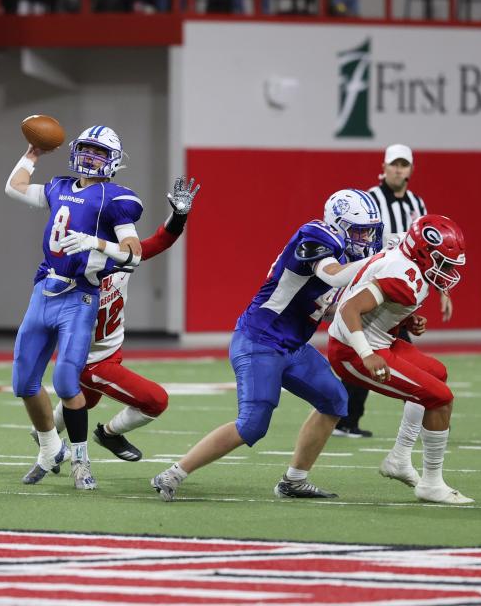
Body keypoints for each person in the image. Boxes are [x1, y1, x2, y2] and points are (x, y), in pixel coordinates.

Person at [150, 189, 382, 501]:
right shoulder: (317, 235)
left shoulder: (348, 255)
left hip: (292, 346)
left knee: (336, 400)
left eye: (370, 231)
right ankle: (175, 473)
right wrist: (379, 262)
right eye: (360, 231)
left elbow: (325, 308)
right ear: (338, 224)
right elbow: (334, 275)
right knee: (252, 426)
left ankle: (294, 481)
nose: (366, 239)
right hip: (259, 341)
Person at [5, 124, 143, 490]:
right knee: (23, 382)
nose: (90, 157)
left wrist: (94, 242)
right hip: (45, 291)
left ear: (112, 160)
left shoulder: (115, 199)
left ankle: (81, 461)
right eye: (86, 148)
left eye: (99, 152)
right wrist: (32, 154)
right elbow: (14, 187)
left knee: (67, 381)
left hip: (80, 296)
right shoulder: (59, 187)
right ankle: (51, 448)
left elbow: (134, 253)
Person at [32, 177, 199, 461]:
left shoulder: (122, 256)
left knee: (87, 399)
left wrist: (180, 216)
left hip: (109, 350)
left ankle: (45, 435)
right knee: (155, 400)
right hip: (90, 358)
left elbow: (159, 241)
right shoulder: (73, 265)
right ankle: (108, 434)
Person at [327, 214, 471, 505]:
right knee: (440, 398)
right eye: (443, 262)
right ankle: (431, 483)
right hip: (353, 351)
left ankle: (400, 457)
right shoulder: (403, 276)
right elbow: (350, 309)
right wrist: (366, 354)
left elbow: (374, 304)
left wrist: (406, 320)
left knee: (438, 373)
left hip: (379, 340)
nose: (447, 271)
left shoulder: (404, 259)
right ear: (423, 252)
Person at [334, 143, 444, 438]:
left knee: (382, 350)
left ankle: (345, 417)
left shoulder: (416, 204)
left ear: (410, 169)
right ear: (383, 167)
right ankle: (345, 417)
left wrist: (442, 292)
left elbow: (429, 249)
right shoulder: (369, 200)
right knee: (368, 350)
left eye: (403, 165)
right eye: (393, 164)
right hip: (376, 284)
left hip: (399, 288)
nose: (398, 169)